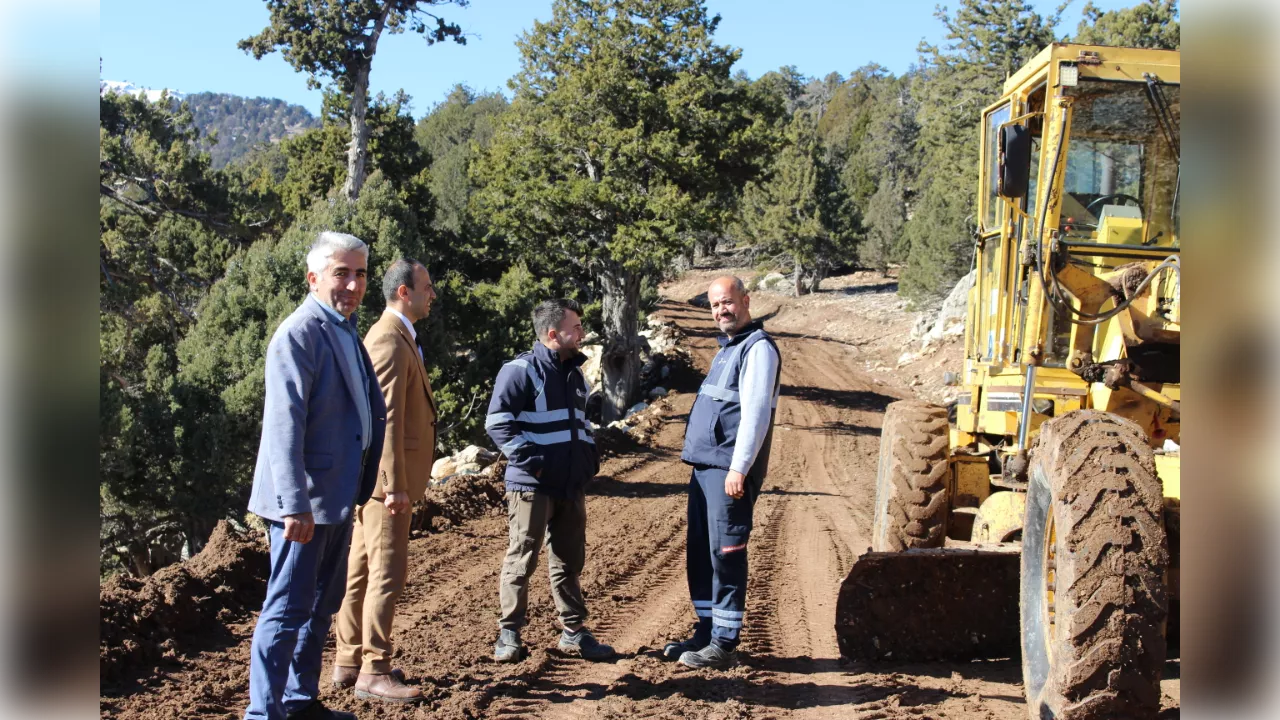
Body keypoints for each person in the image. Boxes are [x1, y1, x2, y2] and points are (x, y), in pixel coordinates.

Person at [244, 231, 387, 720]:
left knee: (321, 607)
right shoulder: (299, 333)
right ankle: (264, 713)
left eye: (360, 273)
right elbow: (284, 427)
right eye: (341, 273)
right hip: (304, 502)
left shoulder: (345, 329)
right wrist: (293, 504)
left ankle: (300, 702)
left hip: (339, 495)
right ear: (313, 278)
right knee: (285, 609)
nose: (352, 283)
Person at [484, 299, 614, 663]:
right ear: (553, 334)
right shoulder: (520, 370)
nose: (582, 333)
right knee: (521, 558)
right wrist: (536, 464)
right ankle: (508, 634)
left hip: (570, 485)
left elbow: (580, 423)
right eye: (575, 327)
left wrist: (589, 460)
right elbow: (497, 423)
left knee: (569, 560)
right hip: (532, 485)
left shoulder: (575, 372)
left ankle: (573, 633)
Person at [332, 259, 438, 703]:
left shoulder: (397, 336)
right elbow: (386, 418)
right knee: (386, 574)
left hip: (379, 483)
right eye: (427, 287)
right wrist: (394, 483)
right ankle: (374, 669)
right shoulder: (390, 340)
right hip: (387, 486)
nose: (432, 294)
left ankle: (346, 661)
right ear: (403, 292)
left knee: (359, 571)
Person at [665, 275, 781, 670]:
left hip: (727, 472)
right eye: (715, 306)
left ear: (746, 301)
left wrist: (739, 468)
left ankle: (724, 642)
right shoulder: (727, 348)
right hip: (705, 469)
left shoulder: (758, 349)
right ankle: (707, 629)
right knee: (701, 552)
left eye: (727, 302)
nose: (721, 311)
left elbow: (755, 416)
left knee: (725, 554)